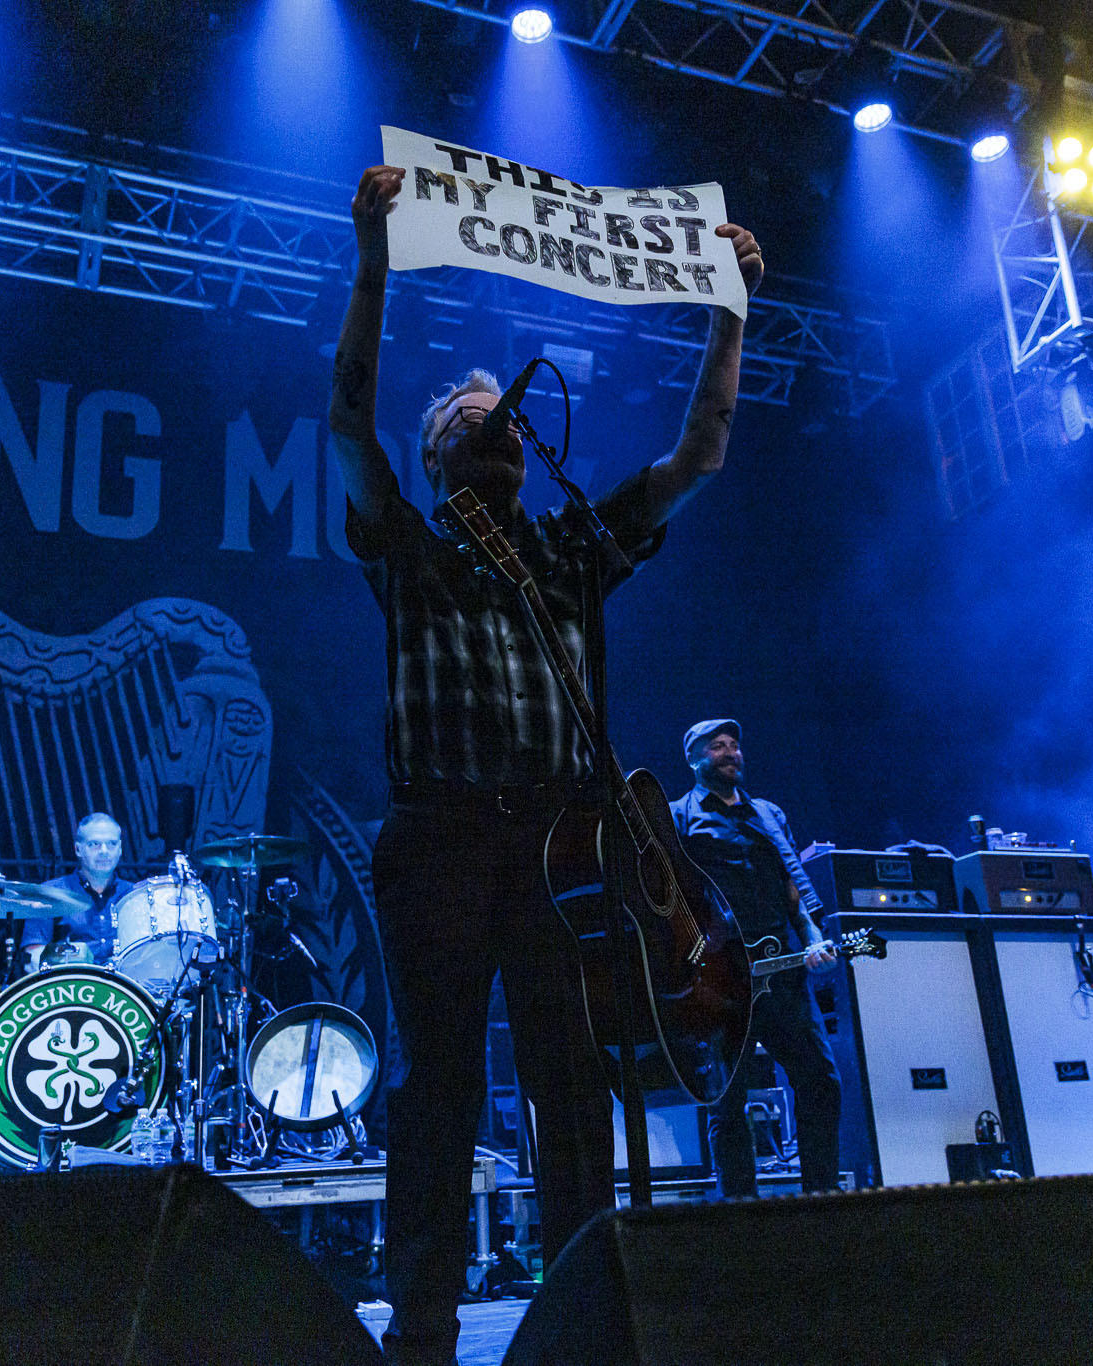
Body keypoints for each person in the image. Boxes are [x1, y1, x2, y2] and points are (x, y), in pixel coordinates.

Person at [328, 163, 762, 1365]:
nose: (497, 429)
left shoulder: (570, 552)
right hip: (437, 841)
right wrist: (373, 262)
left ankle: (581, 1321)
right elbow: (346, 419)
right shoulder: (404, 552)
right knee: (440, 1087)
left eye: (505, 423)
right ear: (435, 460)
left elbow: (701, 452)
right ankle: (420, 1331)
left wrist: (727, 305)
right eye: (470, 424)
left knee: (570, 1085)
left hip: (559, 848)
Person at [667, 719, 841, 1197]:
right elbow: (670, 901)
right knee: (728, 1102)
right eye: (717, 746)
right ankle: (738, 1209)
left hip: (782, 970)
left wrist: (812, 938)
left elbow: (794, 890)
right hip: (721, 979)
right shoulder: (678, 815)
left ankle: (822, 1197)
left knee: (821, 1080)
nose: (730, 752)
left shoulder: (768, 814)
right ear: (695, 759)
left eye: (734, 745)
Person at [24, 812, 133, 969]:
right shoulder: (49, 893)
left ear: (120, 849)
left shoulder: (134, 894)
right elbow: (33, 956)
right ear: (78, 849)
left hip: (125, 989)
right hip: (70, 988)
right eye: (94, 844)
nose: (104, 851)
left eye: (111, 844)